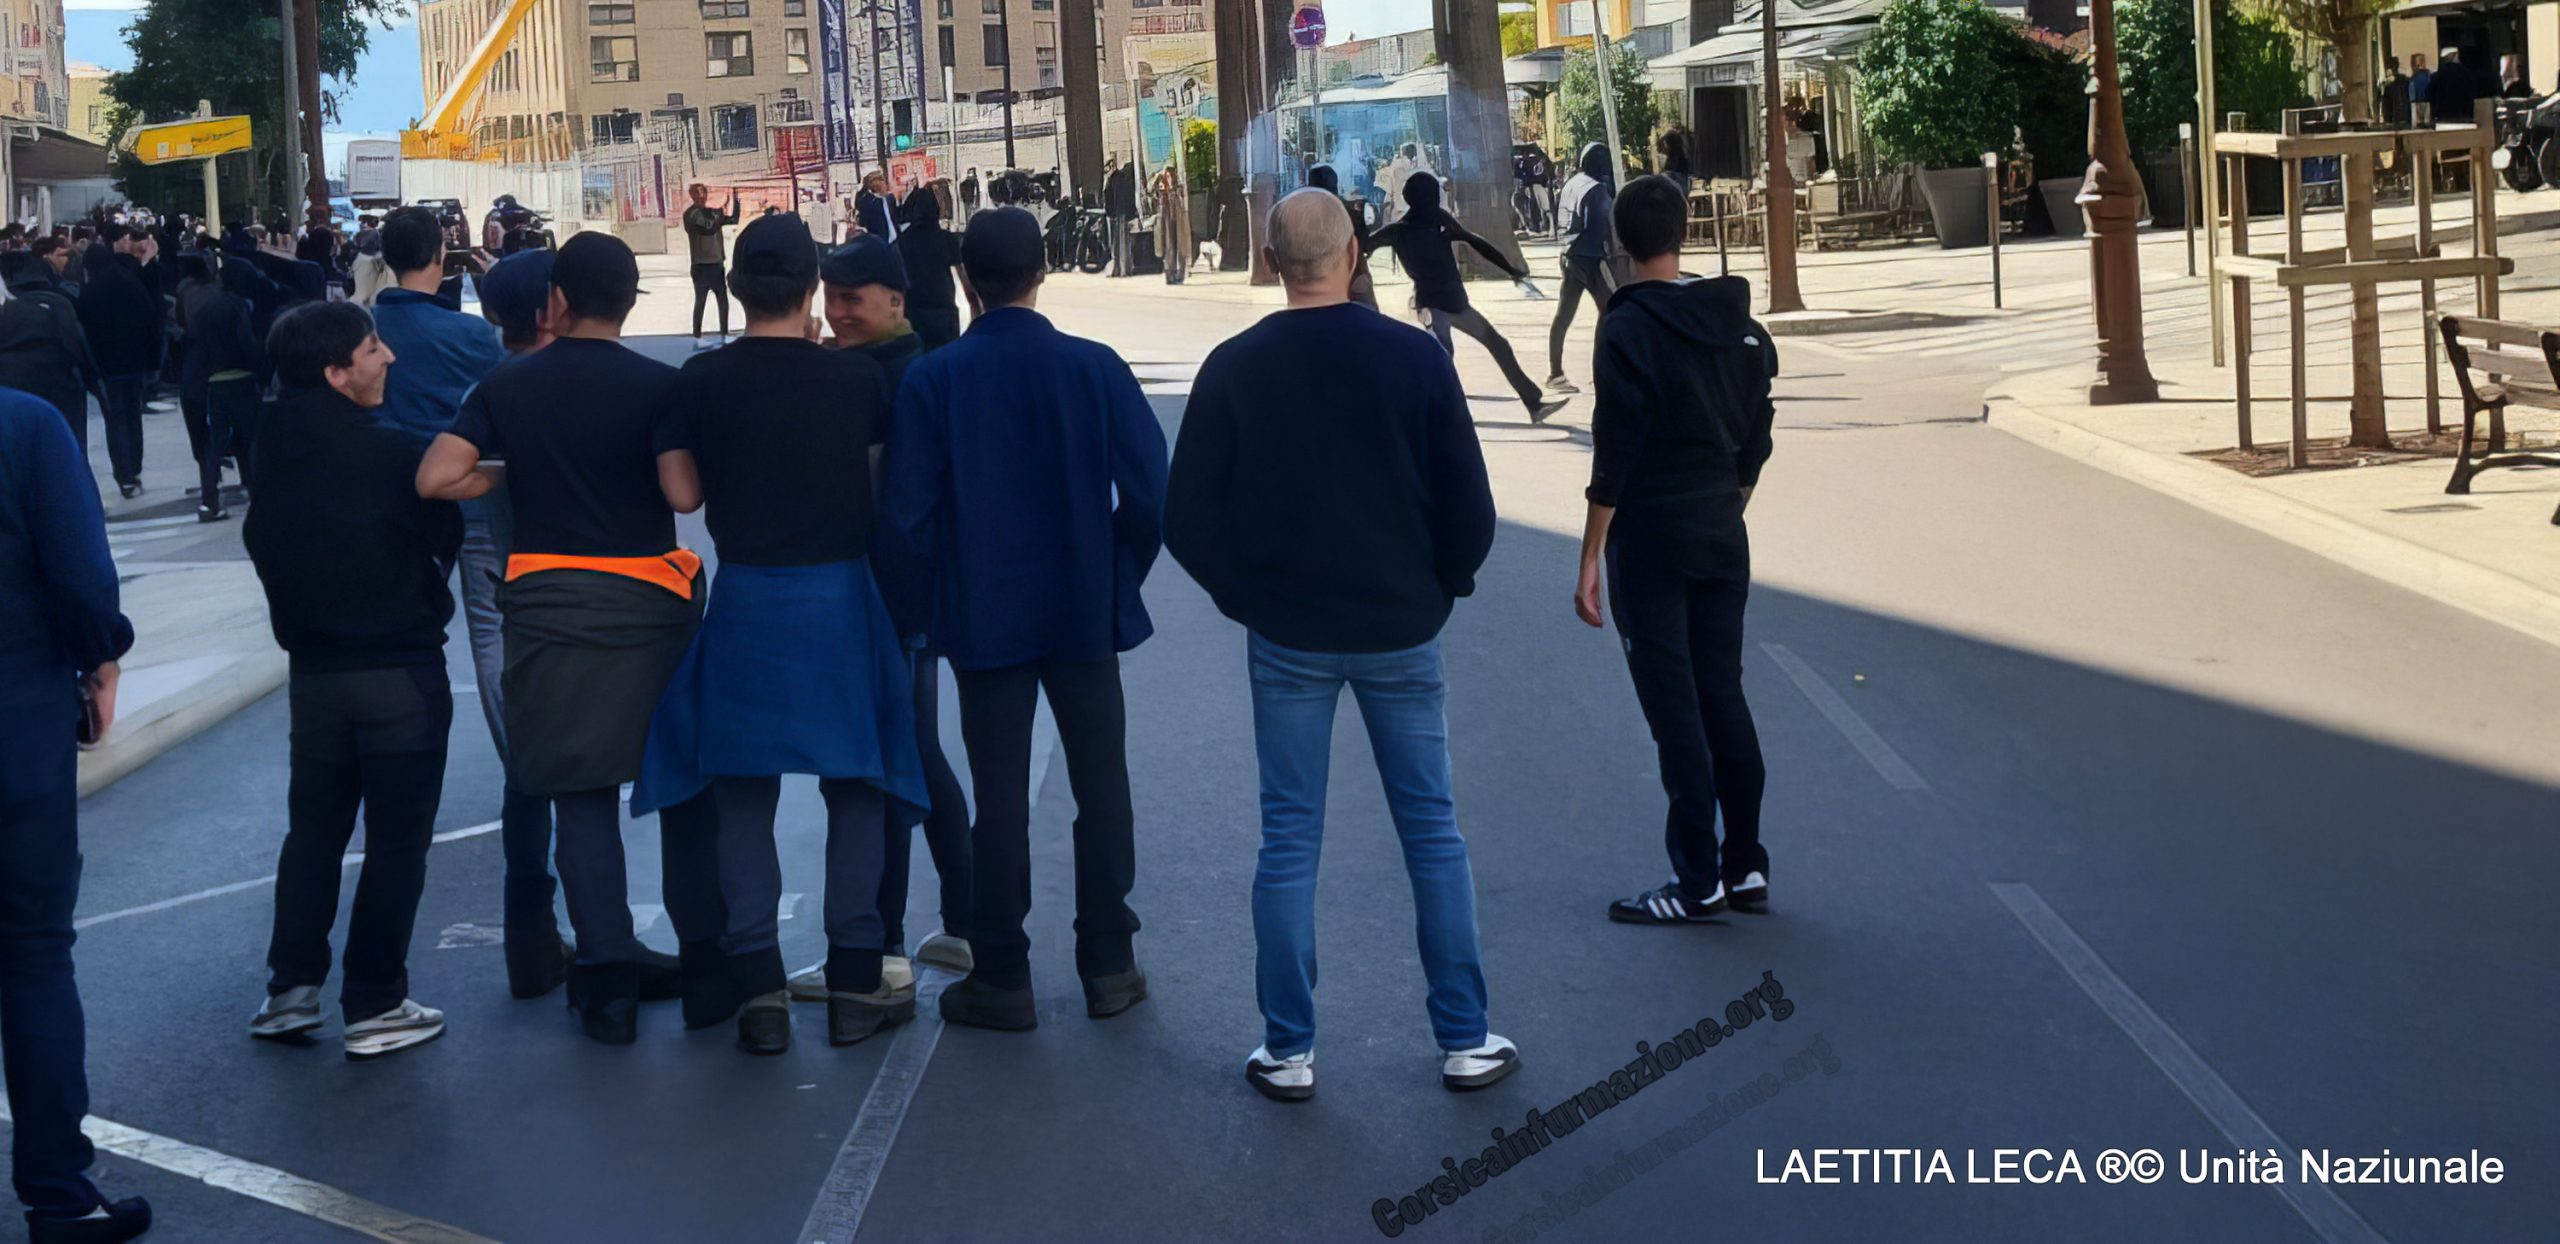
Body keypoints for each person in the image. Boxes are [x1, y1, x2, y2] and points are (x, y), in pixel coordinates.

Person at [1165, 190, 1517, 1102]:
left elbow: (1187, 518)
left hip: (1289, 633)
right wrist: (1442, 585)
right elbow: (1470, 508)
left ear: (1271, 262)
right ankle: (1464, 1037)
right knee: (1432, 831)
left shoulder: (1235, 367)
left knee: (1289, 836)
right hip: (1402, 625)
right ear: (1356, 254)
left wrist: (1246, 598)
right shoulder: (1415, 359)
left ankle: (1288, 1048)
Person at [414, 232, 731, 1044]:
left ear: (556, 300)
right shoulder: (658, 385)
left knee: (579, 796)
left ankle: (608, 981)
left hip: (548, 607)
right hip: (649, 605)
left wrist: (509, 468)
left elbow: (437, 477)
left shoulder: (506, 386)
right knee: (682, 787)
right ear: (628, 303)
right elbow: (682, 494)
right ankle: (705, 962)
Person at [630, 215, 926, 1055]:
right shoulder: (856, 381)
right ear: (810, 293)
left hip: (749, 600)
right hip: (839, 598)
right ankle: (856, 979)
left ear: (734, 288)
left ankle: (759, 983)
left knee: (742, 793)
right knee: (857, 785)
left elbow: (683, 496)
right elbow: (884, 491)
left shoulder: (699, 381)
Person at [877, 207, 1167, 1032]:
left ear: (966, 282)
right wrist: (1116, 575)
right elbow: (1152, 492)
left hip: (983, 613)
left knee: (998, 794)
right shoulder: (1094, 367)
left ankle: (1002, 972)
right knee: (1101, 782)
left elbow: (906, 520)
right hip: (1082, 606)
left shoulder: (935, 379)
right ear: (1043, 274)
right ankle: (1109, 960)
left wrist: (923, 611)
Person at [369, 210, 597, 1002]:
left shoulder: (380, 335)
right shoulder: (498, 365)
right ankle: (591, 931)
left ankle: (534, 925)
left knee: (518, 726)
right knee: (577, 751)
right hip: (556, 565)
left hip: (458, 534)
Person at [240, 300, 458, 1059]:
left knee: (314, 832)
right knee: (397, 841)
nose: (387, 357)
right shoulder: (392, 453)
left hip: (313, 675)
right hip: (397, 667)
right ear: (337, 373)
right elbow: (439, 534)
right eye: (371, 349)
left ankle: (290, 990)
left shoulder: (271, 449)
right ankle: (375, 1000)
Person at [1572, 175, 1776, 925]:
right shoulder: (1739, 326)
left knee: (1674, 708)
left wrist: (1590, 555)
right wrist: (1727, 501)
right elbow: (1756, 438)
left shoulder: (1626, 328)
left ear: (1620, 244)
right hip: (1721, 529)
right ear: (1682, 234)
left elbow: (1616, 450)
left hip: (1651, 538)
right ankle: (1744, 863)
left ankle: (1695, 880)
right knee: (1723, 692)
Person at [0, 385, 153, 1243]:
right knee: (33, 956)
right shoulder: (24, 424)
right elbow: (82, 575)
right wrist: (100, 660)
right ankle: (58, 1191)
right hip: (15, 727)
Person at [817, 233, 977, 993]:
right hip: (902, 596)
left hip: (892, 596)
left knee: (895, 761)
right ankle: (962, 920)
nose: (838, 312)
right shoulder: (902, 367)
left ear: (896, 300)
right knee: (915, 754)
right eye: (831, 298)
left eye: (852, 299)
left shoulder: (897, 379)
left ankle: (887, 941)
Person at [1364, 173, 1563, 424]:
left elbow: (1474, 241)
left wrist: (1511, 270)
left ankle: (1533, 403)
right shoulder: (1402, 230)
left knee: (1495, 345)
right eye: (1433, 194)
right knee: (1443, 357)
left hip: (1455, 303)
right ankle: (1431, 414)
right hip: (1432, 306)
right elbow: (1363, 248)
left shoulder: (1435, 222)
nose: (1437, 199)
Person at [76, 226, 166, 499]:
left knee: (115, 419)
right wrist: (153, 360)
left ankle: (124, 474)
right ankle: (134, 467)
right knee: (133, 414)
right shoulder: (130, 282)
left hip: (107, 367)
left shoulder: (89, 292)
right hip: (135, 362)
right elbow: (151, 319)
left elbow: (84, 333)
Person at [0, 252, 104, 458]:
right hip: (61, 390)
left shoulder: (7, 309)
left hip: (12, 393)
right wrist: (96, 386)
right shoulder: (57, 302)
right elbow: (78, 346)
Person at [1548, 143, 1623, 396]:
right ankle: (1602, 371)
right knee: (1610, 310)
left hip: (1569, 254)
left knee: (1563, 316)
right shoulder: (1597, 190)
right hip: (1591, 258)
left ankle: (1556, 373)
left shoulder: (1572, 183)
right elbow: (1600, 227)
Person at [895, 181, 968, 348]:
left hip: (913, 311)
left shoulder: (902, 242)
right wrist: (974, 306)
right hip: (943, 306)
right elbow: (963, 275)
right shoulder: (947, 239)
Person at [1305, 165, 1376, 310]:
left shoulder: (1303, 217)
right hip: (1355, 275)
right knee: (1368, 316)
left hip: (1319, 282)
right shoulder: (1354, 212)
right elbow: (1366, 243)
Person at [682, 183, 742, 345]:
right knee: (700, 301)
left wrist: (736, 201)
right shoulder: (691, 214)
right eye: (698, 194)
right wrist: (721, 212)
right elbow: (709, 227)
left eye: (703, 194)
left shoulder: (711, 213)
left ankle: (724, 332)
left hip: (716, 263)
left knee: (723, 300)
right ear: (692, 196)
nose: (702, 197)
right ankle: (697, 335)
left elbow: (733, 219)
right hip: (701, 264)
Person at [1152, 164, 1189, 285]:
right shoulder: (1162, 192)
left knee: (1180, 247)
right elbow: (1151, 190)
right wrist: (1157, 178)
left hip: (1178, 221)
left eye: (1171, 176)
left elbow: (1183, 204)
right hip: (1167, 222)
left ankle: (1180, 274)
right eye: (1167, 176)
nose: (1169, 179)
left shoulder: (1178, 189)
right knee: (1169, 247)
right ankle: (1169, 274)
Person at [1104, 157, 1139, 278]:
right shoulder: (1112, 179)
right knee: (1117, 243)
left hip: (1120, 214)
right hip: (1116, 214)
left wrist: (1130, 213)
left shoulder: (1119, 179)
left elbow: (1124, 197)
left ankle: (1123, 269)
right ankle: (1119, 269)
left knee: (1122, 243)